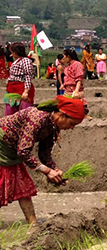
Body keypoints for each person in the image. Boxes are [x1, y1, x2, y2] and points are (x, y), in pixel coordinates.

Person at [0, 96, 86, 224]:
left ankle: (33, 225)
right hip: (2, 144)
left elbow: (44, 153)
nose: (71, 128)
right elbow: (23, 151)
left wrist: (54, 169)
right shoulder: (37, 118)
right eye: (72, 123)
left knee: (22, 185)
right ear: (62, 115)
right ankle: (32, 223)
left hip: (12, 148)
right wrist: (46, 171)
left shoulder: (53, 126)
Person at [5, 43, 35, 116]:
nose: (11, 54)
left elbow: (28, 76)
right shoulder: (17, 61)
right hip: (12, 88)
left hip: (21, 88)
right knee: (10, 110)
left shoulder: (25, 61)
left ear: (16, 51)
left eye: (12, 52)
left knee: (23, 112)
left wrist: (26, 91)